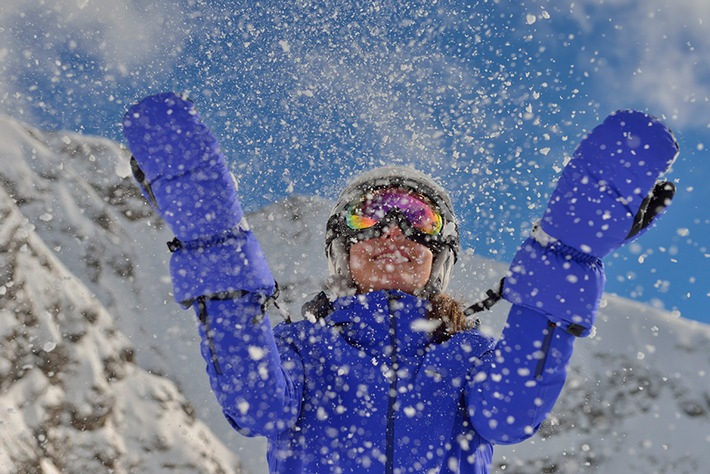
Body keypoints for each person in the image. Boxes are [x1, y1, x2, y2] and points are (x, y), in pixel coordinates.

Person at [123, 92, 678, 473]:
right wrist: (212, 241)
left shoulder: (469, 358)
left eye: (420, 222)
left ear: (440, 259)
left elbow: (511, 414)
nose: (394, 233)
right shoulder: (302, 350)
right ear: (343, 252)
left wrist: (569, 255)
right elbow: (255, 406)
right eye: (370, 219)